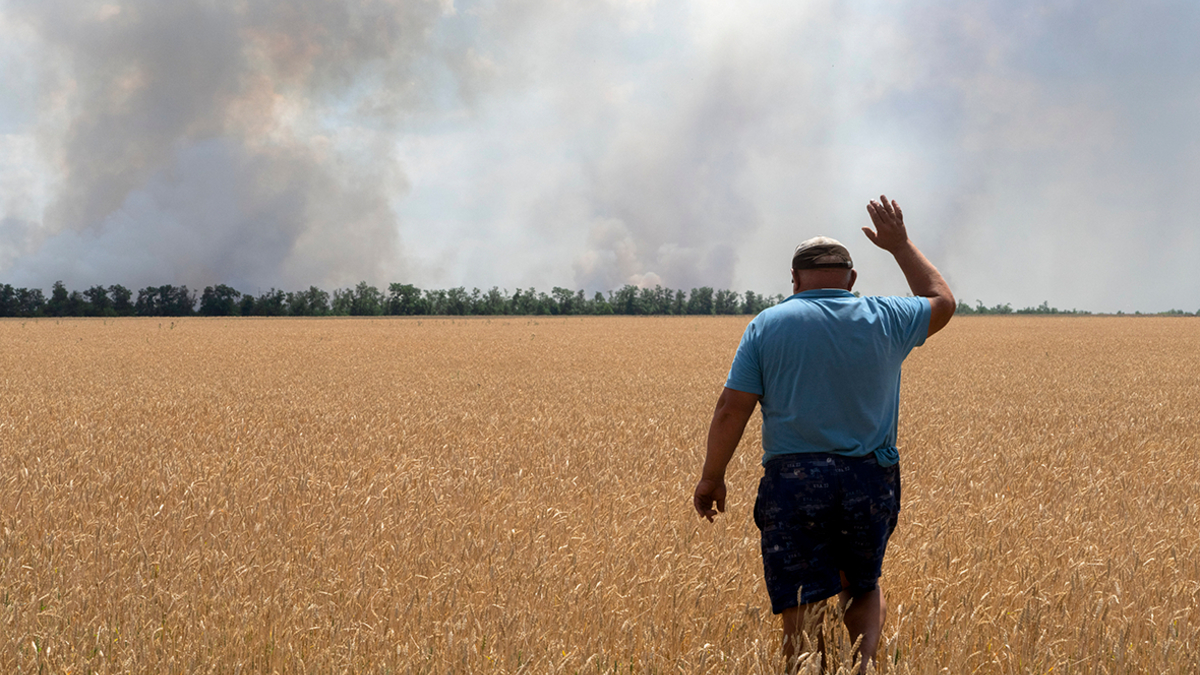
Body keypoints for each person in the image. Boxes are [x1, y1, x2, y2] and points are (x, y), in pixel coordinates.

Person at [692, 195, 955, 672]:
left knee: (798, 598)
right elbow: (943, 300)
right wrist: (899, 246)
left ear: (794, 280)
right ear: (852, 280)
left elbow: (732, 407)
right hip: (870, 479)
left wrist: (712, 476)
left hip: (794, 481)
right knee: (863, 583)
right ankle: (861, 667)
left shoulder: (767, 325)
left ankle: (803, 667)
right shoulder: (887, 317)